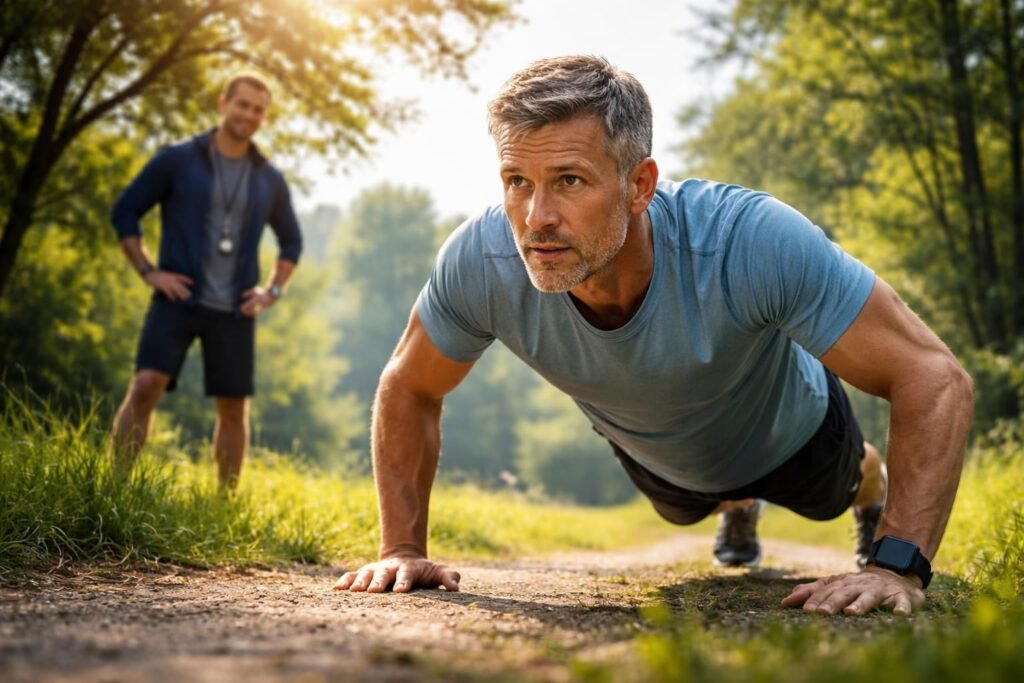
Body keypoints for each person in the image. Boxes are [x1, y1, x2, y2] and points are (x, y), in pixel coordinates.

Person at [333, 56, 972, 616]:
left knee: (838, 488)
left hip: (792, 433)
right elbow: (408, 385)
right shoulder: (481, 263)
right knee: (687, 507)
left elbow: (935, 378)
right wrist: (402, 550)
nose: (537, 218)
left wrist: (896, 565)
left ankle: (867, 476)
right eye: (516, 182)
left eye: (570, 180)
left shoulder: (748, 240)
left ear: (639, 185)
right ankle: (734, 503)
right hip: (661, 458)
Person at [110, 72, 302, 489]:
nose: (248, 115)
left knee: (233, 409)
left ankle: (224, 505)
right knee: (145, 386)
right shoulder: (177, 159)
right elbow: (125, 211)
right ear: (223, 104)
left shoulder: (268, 177)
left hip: (234, 309)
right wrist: (148, 270)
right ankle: (114, 490)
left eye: (258, 109)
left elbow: (292, 243)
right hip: (177, 299)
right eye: (243, 104)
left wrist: (271, 292)